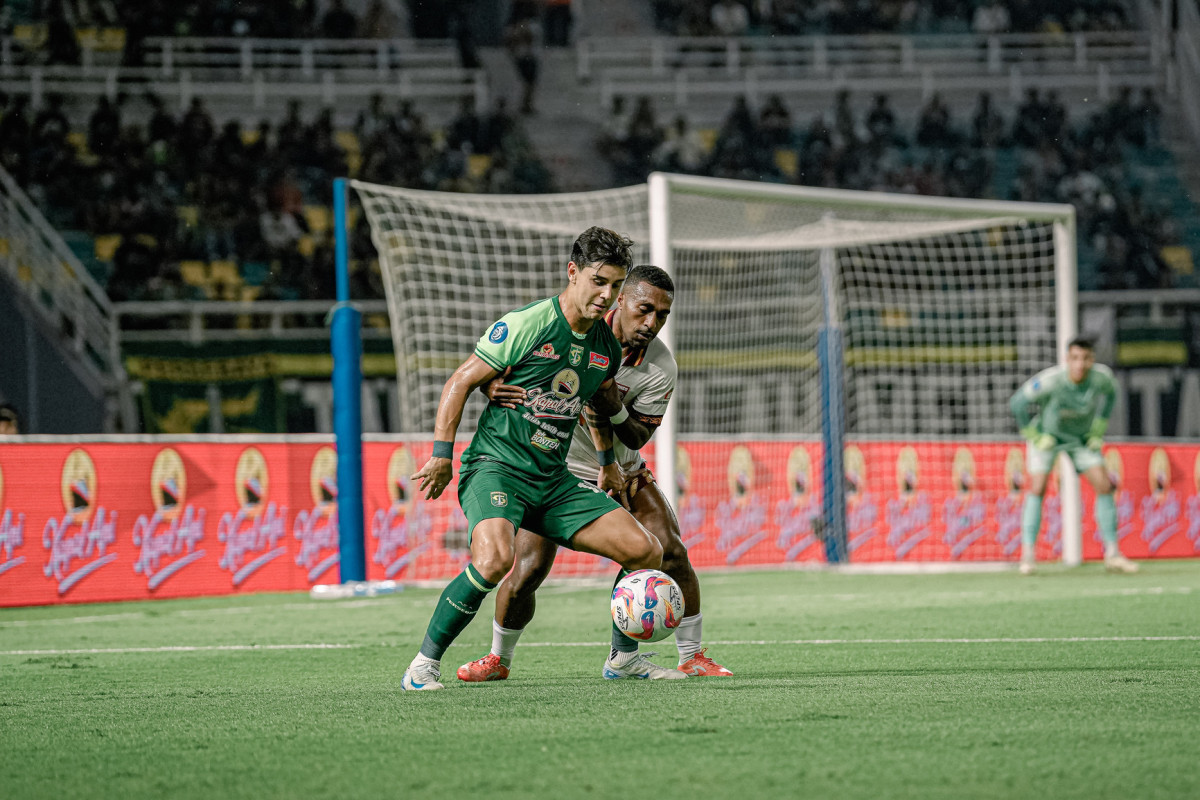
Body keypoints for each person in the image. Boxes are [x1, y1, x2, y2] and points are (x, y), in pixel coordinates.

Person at [402, 227, 664, 691]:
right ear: (573, 272)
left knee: (646, 550)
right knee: (496, 560)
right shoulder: (528, 324)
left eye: (616, 286)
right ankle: (423, 665)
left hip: (553, 481)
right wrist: (441, 455)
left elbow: (595, 404)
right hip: (497, 467)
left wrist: (606, 462)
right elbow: (460, 381)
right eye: (599, 282)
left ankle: (623, 659)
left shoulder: (604, 348)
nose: (607, 296)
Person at [458, 265, 731, 683]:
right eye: (644, 310)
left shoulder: (660, 366)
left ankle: (687, 655)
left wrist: (612, 405)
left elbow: (637, 435)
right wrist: (488, 385)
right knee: (528, 569)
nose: (651, 323)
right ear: (620, 300)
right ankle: (499, 657)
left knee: (669, 550)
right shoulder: (576, 329)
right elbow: (507, 364)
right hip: (555, 468)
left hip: (622, 469)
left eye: (662, 315)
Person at [1010, 336, 1138, 575]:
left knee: (1103, 484)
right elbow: (1017, 403)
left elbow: (1112, 395)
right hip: (1047, 437)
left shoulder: (1102, 378)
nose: (1080, 364)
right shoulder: (1051, 380)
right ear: (1067, 359)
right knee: (1037, 487)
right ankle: (1027, 556)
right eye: (1075, 358)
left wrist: (1099, 427)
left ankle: (1112, 554)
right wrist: (1034, 436)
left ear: (1092, 359)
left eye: (1086, 358)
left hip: (1079, 440)